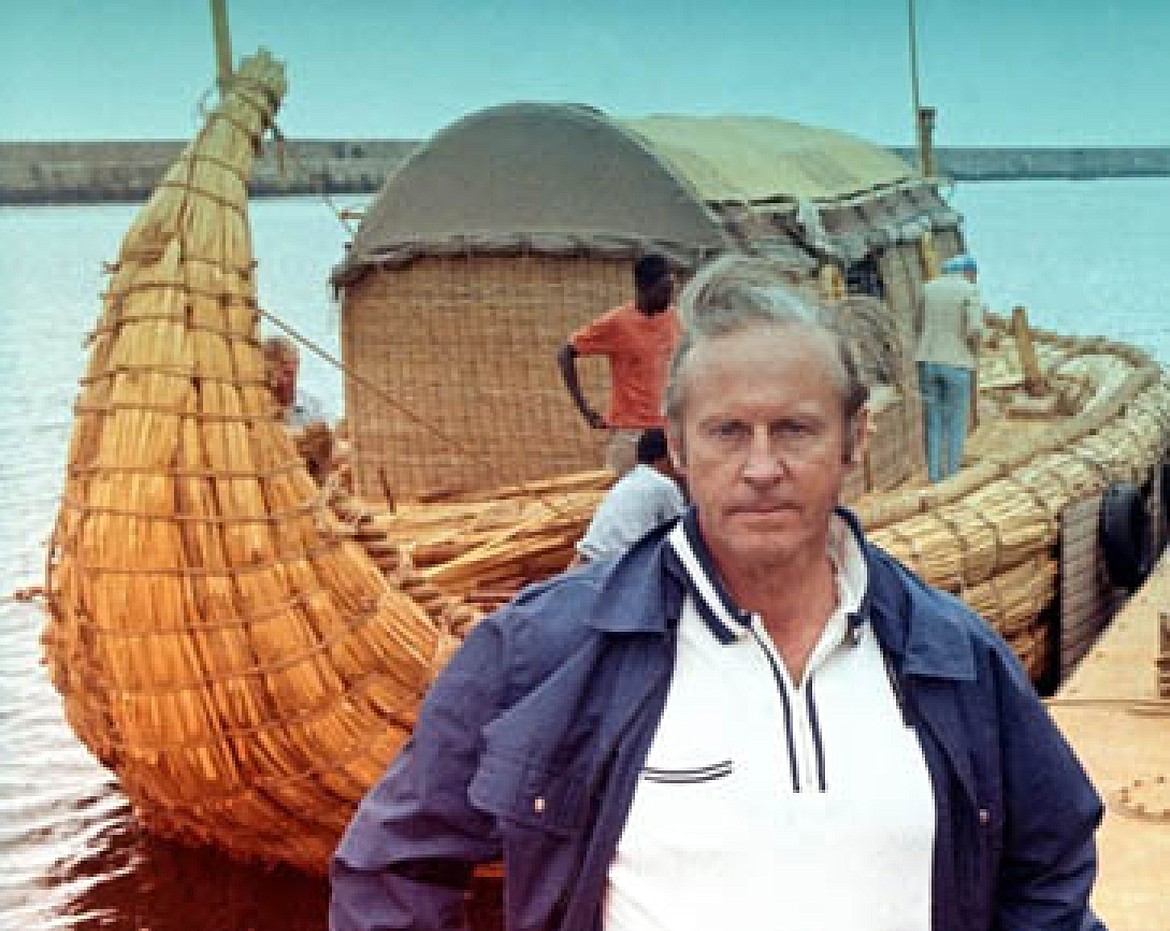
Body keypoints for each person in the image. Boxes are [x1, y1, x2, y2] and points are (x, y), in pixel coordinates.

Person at [330, 255, 1104, 931]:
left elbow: (1050, 868)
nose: (761, 465)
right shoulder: (551, 650)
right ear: (677, 445)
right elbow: (392, 864)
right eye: (728, 432)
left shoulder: (954, 657)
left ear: (854, 439)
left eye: (795, 429)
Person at [556, 254, 680, 474]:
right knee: (624, 496)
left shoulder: (673, 318)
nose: (669, 297)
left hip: (667, 430)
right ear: (644, 288)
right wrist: (585, 410)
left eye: (671, 289)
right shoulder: (617, 323)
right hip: (630, 434)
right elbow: (565, 354)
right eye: (664, 290)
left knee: (673, 500)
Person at [916, 253, 984, 482]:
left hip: (927, 360)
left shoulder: (928, 288)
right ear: (969, 272)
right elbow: (974, 328)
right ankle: (952, 477)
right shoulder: (969, 291)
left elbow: (919, 323)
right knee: (956, 422)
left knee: (933, 421)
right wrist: (972, 347)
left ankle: (935, 476)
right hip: (957, 361)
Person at [573, 427, 686, 564]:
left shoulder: (628, 480)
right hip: (618, 566)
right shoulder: (665, 486)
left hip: (589, 558)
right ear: (667, 459)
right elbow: (682, 538)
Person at [262, 335, 328, 429]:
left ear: (297, 367)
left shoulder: (313, 407)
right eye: (272, 375)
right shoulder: (256, 408)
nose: (284, 381)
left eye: (289, 373)